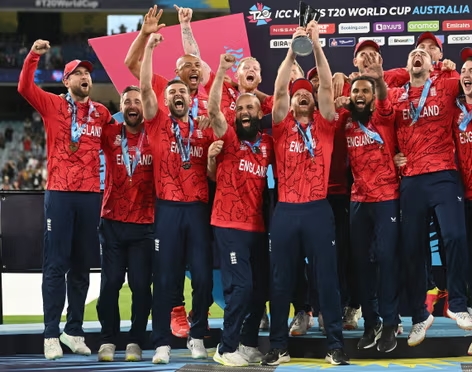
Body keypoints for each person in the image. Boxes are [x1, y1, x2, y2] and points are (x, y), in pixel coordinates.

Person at [18, 39, 114, 360]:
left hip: (90, 197)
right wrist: (33, 55)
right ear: (66, 80)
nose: (85, 76)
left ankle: (73, 331)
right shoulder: (52, 105)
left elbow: (123, 141)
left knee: (82, 267)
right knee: (55, 265)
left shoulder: (101, 114)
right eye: (78, 73)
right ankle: (50, 334)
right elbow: (24, 87)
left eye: (88, 73)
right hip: (59, 193)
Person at [262, 21, 349, 366]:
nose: (301, 93)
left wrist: (315, 45)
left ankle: (335, 345)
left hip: (317, 210)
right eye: (297, 91)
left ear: (313, 100)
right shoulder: (282, 127)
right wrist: (290, 50)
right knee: (281, 281)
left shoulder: (326, 124)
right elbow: (280, 87)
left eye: (306, 92)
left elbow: (327, 84)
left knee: (326, 279)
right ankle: (278, 345)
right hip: (286, 211)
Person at [389, 47, 472, 347]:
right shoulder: (394, 95)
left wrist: (455, 71)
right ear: (407, 63)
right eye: (414, 52)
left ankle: (459, 305)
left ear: (432, 64)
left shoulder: (447, 86)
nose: (418, 55)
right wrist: (394, 157)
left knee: (455, 236)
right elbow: (379, 124)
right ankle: (418, 317)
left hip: (443, 175)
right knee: (412, 249)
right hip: (410, 180)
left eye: (424, 54)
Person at [139, 32, 213, 364]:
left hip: (197, 208)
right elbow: (143, 89)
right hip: (167, 208)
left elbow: (214, 167)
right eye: (172, 92)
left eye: (182, 90)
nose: (178, 95)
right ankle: (162, 343)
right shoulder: (155, 124)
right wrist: (149, 49)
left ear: (190, 94)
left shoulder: (203, 126)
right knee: (165, 277)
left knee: (202, 277)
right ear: (165, 100)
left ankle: (197, 336)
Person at [206, 53, 274, 367]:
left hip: (258, 227)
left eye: (251, 108)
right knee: (244, 287)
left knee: (261, 287)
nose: (246, 112)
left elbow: (283, 108)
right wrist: (221, 70)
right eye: (241, 108)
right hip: (229, 224)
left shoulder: (267, 144)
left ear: (260, 112)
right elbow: (212, 109)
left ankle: (246, 343)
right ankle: (225, 346)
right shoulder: (230, 138)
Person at [334, 53, 400, 353]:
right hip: (358, 199)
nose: (359, 95)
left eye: (365, 91)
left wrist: (379, 79)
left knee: (386, 261)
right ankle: (371, 321)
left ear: (373, 97)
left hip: (387, 198)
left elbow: (386, 96)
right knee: (360, 264)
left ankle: (390, 322)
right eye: (355, 91)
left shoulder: (384, 116)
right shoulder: (346, 123)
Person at [96, 86, 154, 362]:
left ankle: (135, 340)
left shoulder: (155, 136)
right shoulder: (110, 133)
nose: (132, 105)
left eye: (137, 101)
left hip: (145, 224)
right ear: (121, 107)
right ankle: (108, 338)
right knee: (110, 285)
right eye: (127, 101)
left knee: (142, 286)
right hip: (112, 221)